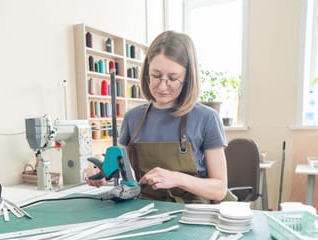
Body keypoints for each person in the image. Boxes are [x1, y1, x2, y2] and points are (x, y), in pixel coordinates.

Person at [86, 30, 235, 203]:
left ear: (188, 77)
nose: (162, 86)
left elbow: (219, 190)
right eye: (156, 76)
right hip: (144, 210)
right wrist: (99, 172)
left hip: (193, 213)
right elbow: (116, 166)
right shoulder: (133, 118)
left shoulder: (207, 118)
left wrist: (178, 179)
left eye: (173, 78)